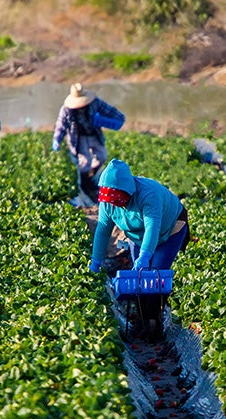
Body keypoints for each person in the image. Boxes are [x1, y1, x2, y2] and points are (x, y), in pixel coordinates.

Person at [89, 159, 190, 338]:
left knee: (154, 274)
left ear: (127, 190)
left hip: (170, 228)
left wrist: (144, 256)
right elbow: (103, 231)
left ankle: (154, 323)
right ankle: (142, 320)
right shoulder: (108, 203)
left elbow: (153, 227)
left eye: (117, 198)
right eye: (110, 200)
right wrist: (96, 261)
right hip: (137, 235)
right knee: (139, 279)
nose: (114, 203)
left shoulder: (148, 194)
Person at [52, 83, 125, 207]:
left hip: (93, 134)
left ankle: (92, 177)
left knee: (102, 156)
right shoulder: (66, 109)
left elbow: (112, 112)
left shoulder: (94, 103)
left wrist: (112, 119)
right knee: (85, 162)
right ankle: (85, 184)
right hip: (78, 138)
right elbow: (61, 125)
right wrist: (57, 140)